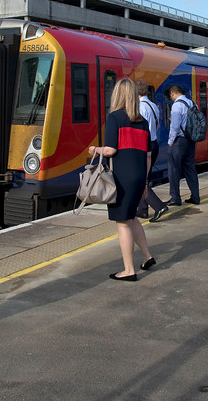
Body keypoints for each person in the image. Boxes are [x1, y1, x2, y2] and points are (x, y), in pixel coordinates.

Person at [88, 78, 154, 281]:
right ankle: (147, 257)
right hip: (139, 176)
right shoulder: (142, 122)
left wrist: (94, 150)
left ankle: (128, 270)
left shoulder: (115, 118)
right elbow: (148, 155)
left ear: (116, 95)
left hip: (122, 178)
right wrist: (144, 182)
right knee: (131, 217)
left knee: (123, 223)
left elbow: (110, 150)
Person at [134, 80, 168, 222]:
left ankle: (159, 206)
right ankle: (142, 210)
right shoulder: (153, 105)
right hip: (154, 144)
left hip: (144, 146)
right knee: (144, 179)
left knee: (140, 181)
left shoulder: (140, 108)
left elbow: (140, 130)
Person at [166, 84, 200, 206]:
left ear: (173, 93)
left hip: (179, 141)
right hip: (190, 140)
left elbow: (175, 127)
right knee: (190, 169)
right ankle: (195, 196)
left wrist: (170, 142)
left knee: (174, 170)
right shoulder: (192, 103)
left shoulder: (177, 105)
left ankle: (175, 198)